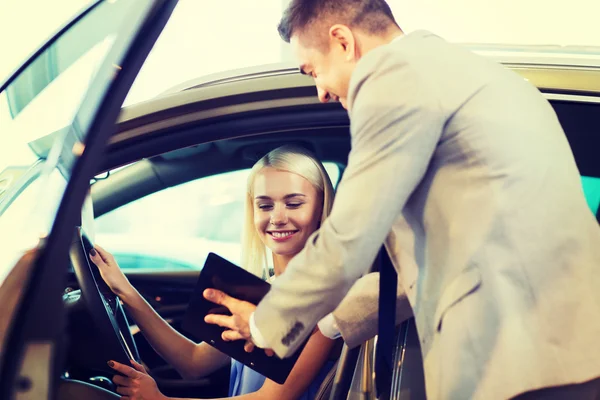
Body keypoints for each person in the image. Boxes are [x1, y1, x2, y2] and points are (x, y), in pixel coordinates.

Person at [202, 1, 600, 399]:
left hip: (520, 355)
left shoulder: (394, 77)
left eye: (314, 71)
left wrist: (262, 324)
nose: (320, 91)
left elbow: (350, 235)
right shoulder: (481, 77)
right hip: (564, 349)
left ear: (342, 41)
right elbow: (445, 254)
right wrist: (330, 321)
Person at [89, 145, 341, 400]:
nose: (277, 217)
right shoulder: (264, 290)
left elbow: (274, 398)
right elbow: (193, 362)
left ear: (322, 207)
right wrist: (126, 292)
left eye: (294, 203)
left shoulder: (327, 297)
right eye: (265, 206)